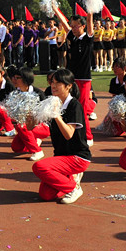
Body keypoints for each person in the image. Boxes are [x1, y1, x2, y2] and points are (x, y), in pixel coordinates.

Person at [31, 68, 91, 204]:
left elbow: (68, 134)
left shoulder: (74, 105)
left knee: (39, 166)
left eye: (58, 83)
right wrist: (29, 116)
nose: (53, 85)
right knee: (46, 195)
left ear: (68, 86)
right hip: (61, 156)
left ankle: (74, 188)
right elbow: (31, 127)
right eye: (52, 82)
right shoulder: (53, 103)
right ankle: (71, 178)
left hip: (77, 157)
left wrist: (56, 115)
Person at [53, 9, 95, 146]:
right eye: (72, 26)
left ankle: (88, 136)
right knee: (69, 104)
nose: (73, 28)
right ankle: (70, 131)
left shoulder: (88, 38)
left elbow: (89, 20)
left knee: (82, 108)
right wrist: (55, 9)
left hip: (84, 79)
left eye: (76, 26)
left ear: (83, 26)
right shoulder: (73, 37)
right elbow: (64, 23)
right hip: (71, 78)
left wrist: (90, 9)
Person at [10, 67, 50, 161]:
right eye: (14, 77)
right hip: (25, 125)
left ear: (25, 79)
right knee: (16, 147)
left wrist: (32, 118)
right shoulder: (15, 93)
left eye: (17, 78)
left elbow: (46, 115)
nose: (14, 80)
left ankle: (37, 151)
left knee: (21, 126)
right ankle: (34, 140)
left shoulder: (38, 93)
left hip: (43, 125)